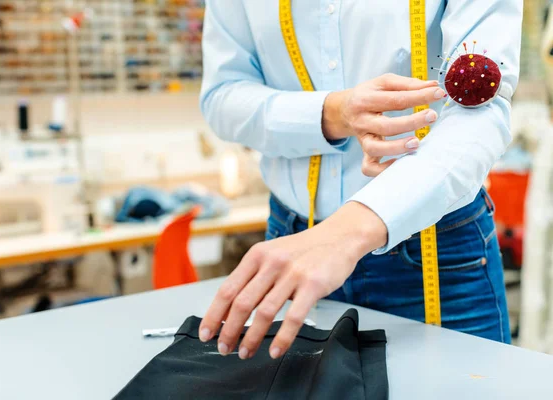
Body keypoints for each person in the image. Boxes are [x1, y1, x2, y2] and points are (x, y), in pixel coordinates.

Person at [198, 0, 522, 360]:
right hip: (291, 244)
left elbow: (482, 106)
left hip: (439, 247)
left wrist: (349, 231)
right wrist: (335, 113)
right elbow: (221, 96)